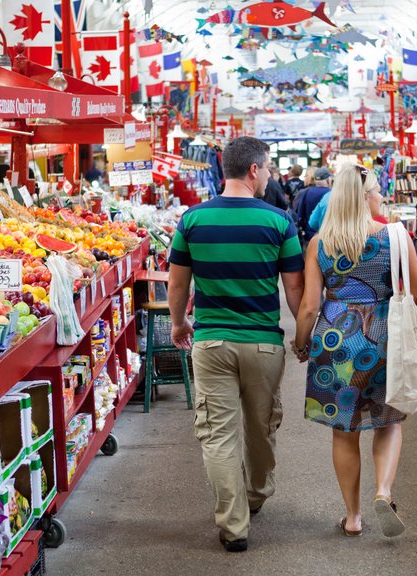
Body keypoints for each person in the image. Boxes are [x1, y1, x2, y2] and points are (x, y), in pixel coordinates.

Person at [292, 164, 417, 538]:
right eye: (376, 191)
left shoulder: (319, 243)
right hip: (383, 338)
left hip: (336, 341)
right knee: (388, 421)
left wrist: (300, 343)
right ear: (363, 197)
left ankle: (353, 517)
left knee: (344, 432)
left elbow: (309, 305)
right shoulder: (395, 236)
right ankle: (384, 491)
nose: (380, 196)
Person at [167, 136, 305, 553]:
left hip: (211, 343)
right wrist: (304, 336)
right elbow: (294, 289)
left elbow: (177, 282)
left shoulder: (192, 220)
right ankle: (257, 493)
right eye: (266, 169)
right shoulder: (279, 222)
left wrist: (179, 323)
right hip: (264, 345)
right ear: (253, 170)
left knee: (217, 435)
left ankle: (233, 526)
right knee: (261, 428)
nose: (268, 177)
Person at [295, 167, 333, 243]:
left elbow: (300, 214)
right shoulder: (332, 194)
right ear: (328, 180)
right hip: (329, 237)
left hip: (310, 236)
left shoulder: (306, 192)